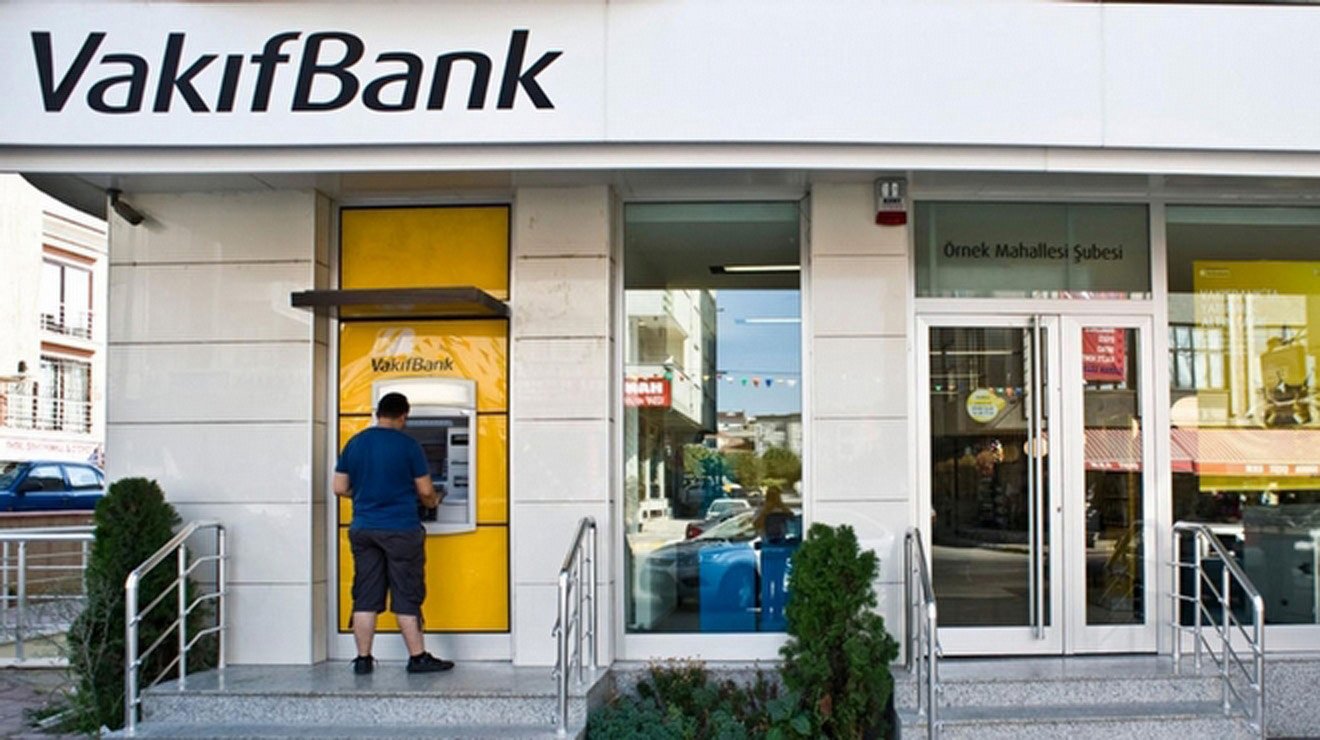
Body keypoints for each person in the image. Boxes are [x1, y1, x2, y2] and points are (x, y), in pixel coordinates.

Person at [333, 391, 452, 675]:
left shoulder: (355, 443)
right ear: (403, 416)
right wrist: (433, 502)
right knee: (406, 594)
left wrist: (366, 495)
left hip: (364, 529)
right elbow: (425, 490)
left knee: (365, 595)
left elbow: (339, 488)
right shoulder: (408, 446)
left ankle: (363, 659)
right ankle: (417, 657)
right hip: (400, 529)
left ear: (378, 413)